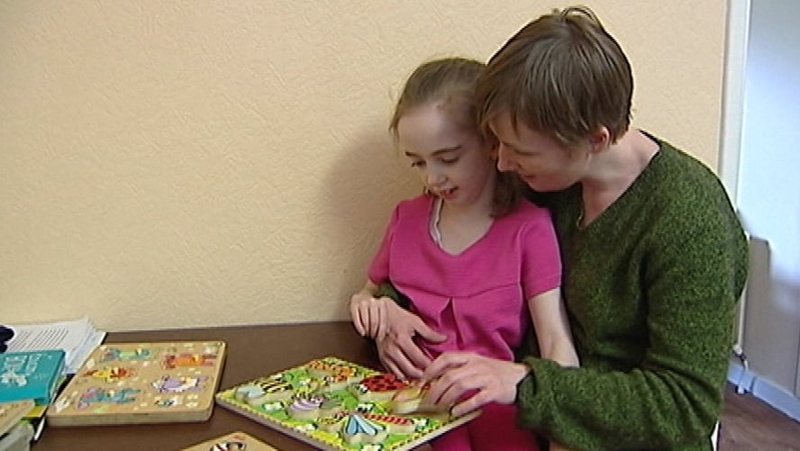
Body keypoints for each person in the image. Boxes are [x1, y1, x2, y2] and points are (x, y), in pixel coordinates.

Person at [374, 7, 749, 451]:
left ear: (596, 139)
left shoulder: (688, 217)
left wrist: (529, 384)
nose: (502, 165)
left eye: (519, 151)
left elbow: (685, 405)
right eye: (497, 145)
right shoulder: (547, 180)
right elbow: (457, 263)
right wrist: (390, 311)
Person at [349, 57, 579, 451]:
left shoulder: (529, 228)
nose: (432, 178)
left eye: (448, 158)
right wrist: (378, 308)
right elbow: (368, 293)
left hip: (493, 418)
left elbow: (558, 347)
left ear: (493, 144)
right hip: (409, 417)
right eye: (418, 163)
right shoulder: (407, 218)